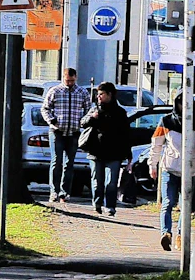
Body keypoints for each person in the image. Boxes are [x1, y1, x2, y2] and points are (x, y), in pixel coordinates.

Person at [149, 110, 195, 252]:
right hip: (170, 168)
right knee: (168, 202)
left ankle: (180, 235)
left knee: (186, 205)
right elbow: (156, 144)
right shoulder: (166, 121)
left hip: (189, 170)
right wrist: (152, 164)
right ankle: (166, 233)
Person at [78, 83, 131, 215]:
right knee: (97, 181)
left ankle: (110, 206)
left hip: (114, 152)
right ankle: (97, 203)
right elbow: (82, 123)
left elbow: (126, 134)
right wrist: (92, 117)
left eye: (101, 94)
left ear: (110, 94)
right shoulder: (95, 110)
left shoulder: (120, 113)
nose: (99, 97)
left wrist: (128, 155)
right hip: (96, 151)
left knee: (112, 182)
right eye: (98, 94)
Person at [40, 68, 92, 202]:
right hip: (57, 131)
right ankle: (54, 191)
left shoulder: (82, 92)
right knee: (56, 161)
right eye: (67, 80)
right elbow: (45, 108)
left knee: (69, 163)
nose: (69, 83)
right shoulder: (55, 91)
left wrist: (82, 122)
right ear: (63, 78)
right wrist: (51, 120)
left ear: (76, 78)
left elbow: (88, 110)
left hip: (74, 132)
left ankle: (65, 192)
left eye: (72, 80)